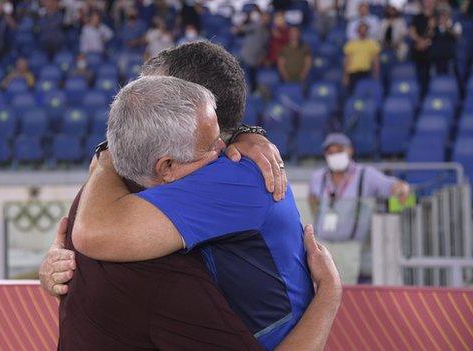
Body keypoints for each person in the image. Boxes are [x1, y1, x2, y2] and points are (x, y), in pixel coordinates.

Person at [40, 42, 341, 350]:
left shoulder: (230, 176)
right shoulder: (154, 181)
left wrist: (329, 291)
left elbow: (94, 232)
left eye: (158, 93)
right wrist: (60, 257)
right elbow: (87, 230)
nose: (142, 103)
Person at [308, 133, 410, 284]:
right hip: (323, 244)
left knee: (346, 292)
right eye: (330, 152)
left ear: (349, 150)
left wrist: (402, 188)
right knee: (320, 291)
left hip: (351, 246)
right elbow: (312, 199)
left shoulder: (366, 175)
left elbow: (391, 186)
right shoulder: (318, 177)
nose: (334, 155)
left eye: (339, 150)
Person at [233, 8, 270, 91]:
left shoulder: (267, 32)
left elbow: (265, 48)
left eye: (267, 18)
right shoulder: (254, 26)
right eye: (263, 17)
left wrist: (261, 57)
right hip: (243, 56)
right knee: (235, 76)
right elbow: (238, 30)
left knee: (252, 82)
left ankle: (253, 93)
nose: (264, 19)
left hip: (253, 60)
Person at [343, 22, 381, 91]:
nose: (363, 32)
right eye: (361, 30)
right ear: (357, 31)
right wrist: (346, 76)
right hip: (353, 72)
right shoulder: (351, 44)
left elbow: (376, 60)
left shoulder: (373, 44)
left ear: (367, 31)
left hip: (366, 72)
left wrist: (376, 73)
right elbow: (347, 60)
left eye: (364, 30)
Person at [409, 0, 437, 93]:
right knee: (418, 76)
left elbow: (434, 33)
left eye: (431, 1)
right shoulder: (417, 17)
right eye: (427, 1)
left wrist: (426, 41)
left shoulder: (437, 17)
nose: (429, 3)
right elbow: (412, 32)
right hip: (418, 51)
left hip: (432, 52)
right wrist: (420, 41)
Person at [428, 5, 461, 74]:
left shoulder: (455, 24)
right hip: (436, 54)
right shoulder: (435, 25)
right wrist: (431, 28)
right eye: (441, 13)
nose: (442, 16)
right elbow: (429, 37)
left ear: (449, 14)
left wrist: (447, 28)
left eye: (445, 13)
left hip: (450, 52)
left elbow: (457, 37)